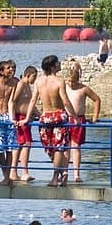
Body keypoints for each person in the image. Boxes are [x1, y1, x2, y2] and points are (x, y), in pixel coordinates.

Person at [35, 55, 77, 187]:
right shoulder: (59, 81)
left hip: (45, 117)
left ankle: (60, 174)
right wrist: (75, 117)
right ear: (53, 66)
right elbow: (65, 101)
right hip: (58, 115)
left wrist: (27, 117)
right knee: (58, 148)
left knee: (52, 149)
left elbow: (32, 101)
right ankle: (58, 175)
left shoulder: (39, 81)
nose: (60, 64)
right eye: (58, 63)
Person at [63, 60, 102, 183]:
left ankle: (76, 174)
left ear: (78, 80)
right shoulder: (64, 88)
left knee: (76, 146)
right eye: (69, 81)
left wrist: (95, 117)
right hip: (66, 118)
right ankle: (64, 171)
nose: (71, 84)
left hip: (79, 119)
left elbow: (96, 99)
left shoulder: (83, 89)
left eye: (73, 81)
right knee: (65, 146)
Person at [11, 65, 38, 182]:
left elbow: (30, 104)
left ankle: (18, 171)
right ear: (28, 75)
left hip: (26, 118)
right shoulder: (21, 85)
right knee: (25, 144)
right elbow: (12, 101)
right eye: (34, 76)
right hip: (19, 118)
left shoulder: (28, 86)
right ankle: (22, 172)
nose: (35, 79)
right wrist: (12, 118)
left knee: (25, 144)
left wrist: (40, 115)